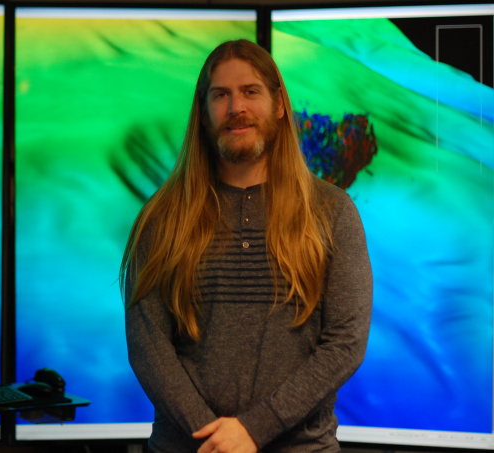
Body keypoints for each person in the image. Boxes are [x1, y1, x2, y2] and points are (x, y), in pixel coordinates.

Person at [120, 39, 372, 453]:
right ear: (203, 113)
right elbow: (148, 345)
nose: (236, 107)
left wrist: (253, 430)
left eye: (250, 91)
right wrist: (214, 438)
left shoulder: (333, 211)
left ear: (279, 104)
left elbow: (346, 342)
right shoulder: (162, 217)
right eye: (221, 95)